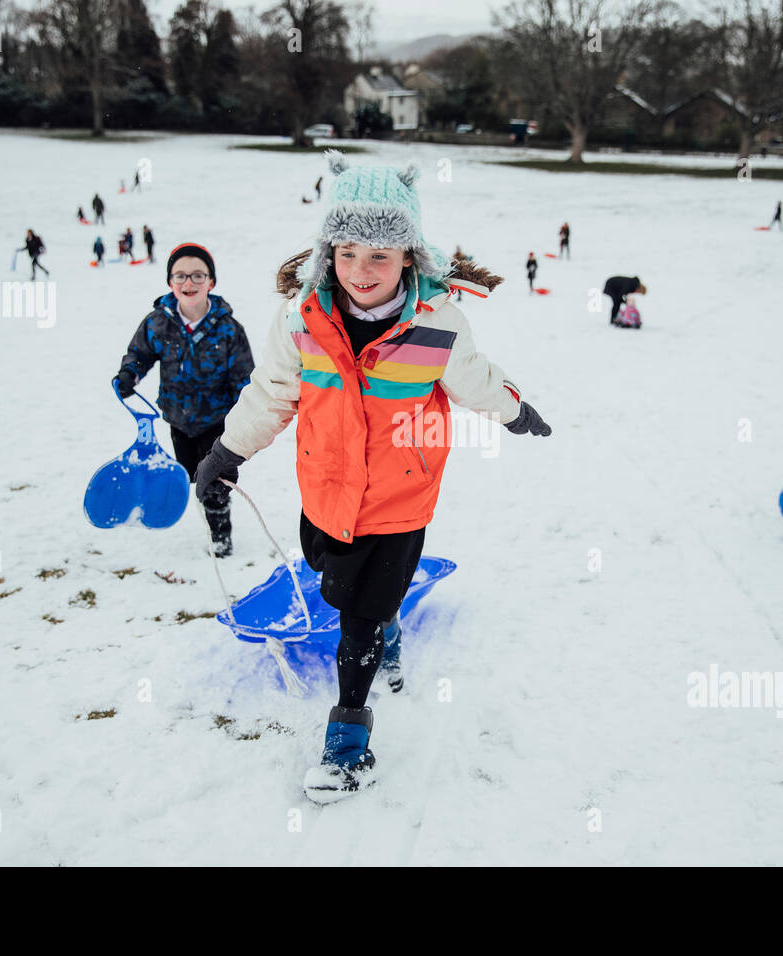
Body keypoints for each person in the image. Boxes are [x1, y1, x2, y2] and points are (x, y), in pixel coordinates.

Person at [192, 151, 551, 801]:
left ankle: (349, 735)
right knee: (333, 585)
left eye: (380, 257)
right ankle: (385, 626)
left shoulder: (437, 324)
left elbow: (474, 380)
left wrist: (515, 410)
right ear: (328, 251)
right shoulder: (300, 321)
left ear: (409, 256)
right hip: (325, 492)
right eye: (348, 253)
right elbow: (272, 394)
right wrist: (228, 451)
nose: (362, 271)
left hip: (400, 501)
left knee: (358, 615)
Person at [114, 243, 254, 557]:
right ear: (170, 282)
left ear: (211, 282)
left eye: (197, 275)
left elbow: (245, 380)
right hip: (178, 419)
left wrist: (242, 420)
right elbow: (140, 354)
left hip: (217, 423)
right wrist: (129, 375)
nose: (188, 283)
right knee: (189, 475)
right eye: (180, 276)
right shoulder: (158, 322)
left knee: (214, 484)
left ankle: (221, 538)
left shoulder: (229, 330)